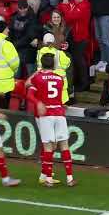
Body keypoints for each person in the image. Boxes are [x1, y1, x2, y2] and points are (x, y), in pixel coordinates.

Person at [26, 53, 76, 187]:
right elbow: (58, 97)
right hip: (59, 113)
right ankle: (70, 178)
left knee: (48, 147)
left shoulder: (38, 78)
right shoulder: (60, 78)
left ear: (41, 64)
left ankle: (48, 178)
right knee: (64, 146)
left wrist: (39, 103)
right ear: (54, 64)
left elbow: (29, 94)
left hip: (46, 115)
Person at [57, 0, 91, 92]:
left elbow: (70, 16)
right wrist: (64, 4)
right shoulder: (71, 3)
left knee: (79, 60)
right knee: (73, 60)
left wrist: (65, 5)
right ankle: (76, 82)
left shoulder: (85, 5)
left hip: (81, 37)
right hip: (71, 36)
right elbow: (59, 10)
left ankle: (84, 83)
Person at [8, 0, 40, 78]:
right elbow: (10, 32)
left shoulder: (33, 18)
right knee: (16, 76)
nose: (23, 10)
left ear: (28, 7)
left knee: (31, 76)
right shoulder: (13, 17)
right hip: (16, 50)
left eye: (24, 8)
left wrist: (15, 44)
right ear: (18, 8)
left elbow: (30, 35)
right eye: (20, 8)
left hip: (28, 50)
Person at [36, 33, 71, 105]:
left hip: (44, 84)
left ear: (44, 42)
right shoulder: (59, 53)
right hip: (59, 87)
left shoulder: (39, 53)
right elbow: (67, 64)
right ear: (54, 41)